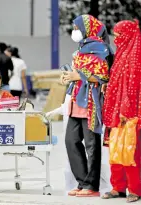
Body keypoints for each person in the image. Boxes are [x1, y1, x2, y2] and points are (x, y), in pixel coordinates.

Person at [63, 15, 111, 197]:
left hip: (91, 101)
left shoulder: (101, 49)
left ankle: (91, 186)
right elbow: (79, 72)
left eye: (76, 27)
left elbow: (103, 76)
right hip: (77, 99)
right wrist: (69, 77)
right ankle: (82, 182)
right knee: (71, 141)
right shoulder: (82, 47)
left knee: (91, 144)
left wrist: (79, 76)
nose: (74, 31)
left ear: (88, 28)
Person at [102, 20, 141, 203]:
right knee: (115, 151)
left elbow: (133, 86)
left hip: (130, 113)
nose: (116, 39)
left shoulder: (136, 56)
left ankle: (134, 189)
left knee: (130, 152)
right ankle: (118, 187)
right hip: (116, 111)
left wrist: (127, 109)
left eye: (119, 35)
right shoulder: (122, 53)